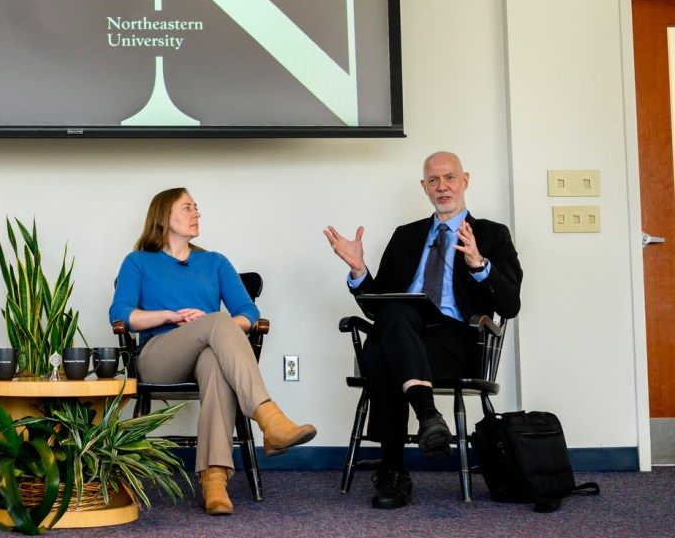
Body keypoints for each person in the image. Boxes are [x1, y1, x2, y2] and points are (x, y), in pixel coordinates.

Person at [323, 152, 522, 510]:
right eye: (434, 180)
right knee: (394, 320)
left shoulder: (491, 234)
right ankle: (428, 414)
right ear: (424, 187)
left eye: (449, 177)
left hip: (456, 345)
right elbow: (377, 307)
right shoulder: (406, 236)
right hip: (405, 336)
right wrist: (358, 271)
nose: (442, 186)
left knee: (382, 350)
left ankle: (393, 470)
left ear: (465, 180)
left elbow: (510, 305)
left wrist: (479, 265)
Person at [110, 187, 317, 516]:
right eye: (187, 208)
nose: (197, 214)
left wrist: (211, 325)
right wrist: (169, 316)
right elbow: (122, 315)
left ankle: (215, 481)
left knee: (216, 361)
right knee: (218, 323)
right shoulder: (138, 261)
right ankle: (269, 419)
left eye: (197, 208)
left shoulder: (214, 262)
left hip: (208, 352)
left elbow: (248, 314)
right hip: (159, 356)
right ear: (164, 218)